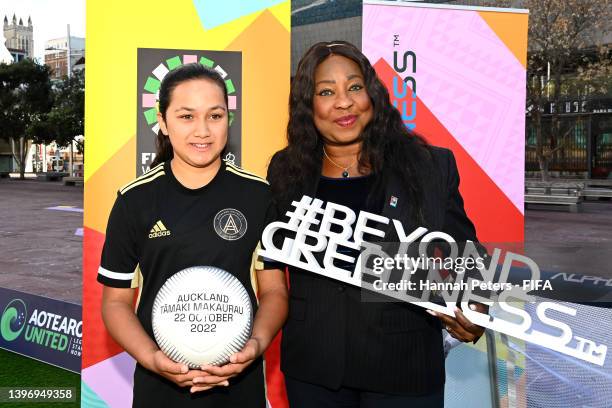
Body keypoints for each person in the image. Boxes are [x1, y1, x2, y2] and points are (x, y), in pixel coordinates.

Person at [264, 41, 486, 407]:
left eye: (354, 87)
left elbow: (465, 257)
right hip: (315, 370)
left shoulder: (429, 165)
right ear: (308, 105)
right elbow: (272, 260)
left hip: (404, 367)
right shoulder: (285, 170)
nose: (344, 102)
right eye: (325, 92)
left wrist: (476, 308)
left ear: (373, 94)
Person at [98, 63, 288, 408]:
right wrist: (153, 358)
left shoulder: (258, 196)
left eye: (215, 116)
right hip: (160, 387)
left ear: (227, 119)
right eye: (187, 116)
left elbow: (274, 290)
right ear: (163, 119)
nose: (203, 131)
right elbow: (115, 303)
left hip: (239, 385)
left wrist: (256, 345)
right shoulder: (134, 201)